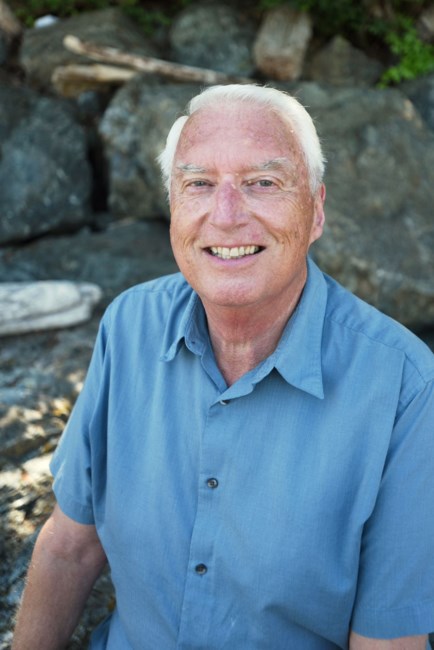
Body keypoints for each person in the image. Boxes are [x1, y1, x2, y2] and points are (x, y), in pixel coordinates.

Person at [12, 84, 434, 650]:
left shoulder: (406, 388)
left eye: (262, 183)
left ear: (316, 211)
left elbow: (387, 641)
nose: (227, 215)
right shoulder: (129, 326)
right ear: (173, 208)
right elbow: (70, 545)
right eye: (199, 184)